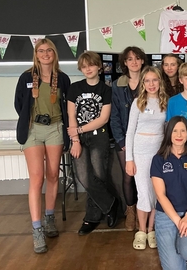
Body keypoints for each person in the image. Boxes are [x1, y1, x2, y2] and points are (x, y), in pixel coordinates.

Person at [14, 38, 70, 254]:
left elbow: (67, 105)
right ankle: (36, 229)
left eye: (49, 51)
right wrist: (31, 120)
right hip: (33, 130)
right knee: (36, 178)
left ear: (54, 54)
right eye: (41, 51)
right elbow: (19, 104)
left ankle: (49, 218)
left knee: (53, 175)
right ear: (36, 54)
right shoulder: (26, 77)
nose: (45, 54)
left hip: (55, 128)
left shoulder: (62, 79)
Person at [67, 51, 119, 236]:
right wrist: (75, 140)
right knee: (84, 177)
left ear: (99, 66)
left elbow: (103, 118)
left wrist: (79, 130)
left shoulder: (106, 90)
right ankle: (111, 205)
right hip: (78, 139)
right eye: (84, 66)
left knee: (98, 176)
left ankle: (91, 217)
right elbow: (71, 115)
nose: (88, 69)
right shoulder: (74, 88)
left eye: (91, 65)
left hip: (99, 137)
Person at [151, 116, 187, 270]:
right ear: (169, 133)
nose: (179, 135)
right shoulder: (158, 160)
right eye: (175, 131)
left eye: (183, 131)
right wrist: (178, 221)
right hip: (166, 215)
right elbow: (160, 195)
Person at [125, 66, 169, 250]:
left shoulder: (165, 103)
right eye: (147, 81)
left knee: (156, 193)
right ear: (143, 83)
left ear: (160, 82)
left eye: (155, 80)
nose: (151, 84)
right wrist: (129, 159)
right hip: (140, 153)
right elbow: (129, 132)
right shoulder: (137, 103)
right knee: (143, 192)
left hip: (159, 153)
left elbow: (168, 129)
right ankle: (141, 231)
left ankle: (152, 229)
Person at [110, 46, 147, 231]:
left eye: (137, 58)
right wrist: (122, 142)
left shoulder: (149, 82)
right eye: (130, 59)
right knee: (128, 176)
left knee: (146, 177)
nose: (134, 62)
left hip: (145, 140)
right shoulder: (117, 85)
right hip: (124, 139)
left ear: (142, 61)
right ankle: (130, 210)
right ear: (125, 62)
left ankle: (145, 211)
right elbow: (114, 116)